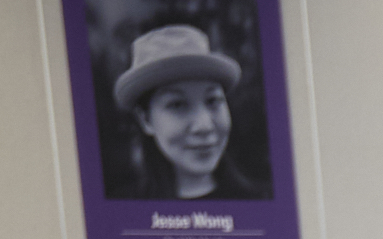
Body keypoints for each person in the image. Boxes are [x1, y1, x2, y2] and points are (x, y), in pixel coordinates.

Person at [112, 23, 267, 201]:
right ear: (146, 120)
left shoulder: (261, 200)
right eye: (178, 104)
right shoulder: (123, 207)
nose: (204, 126)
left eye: (212, 100)